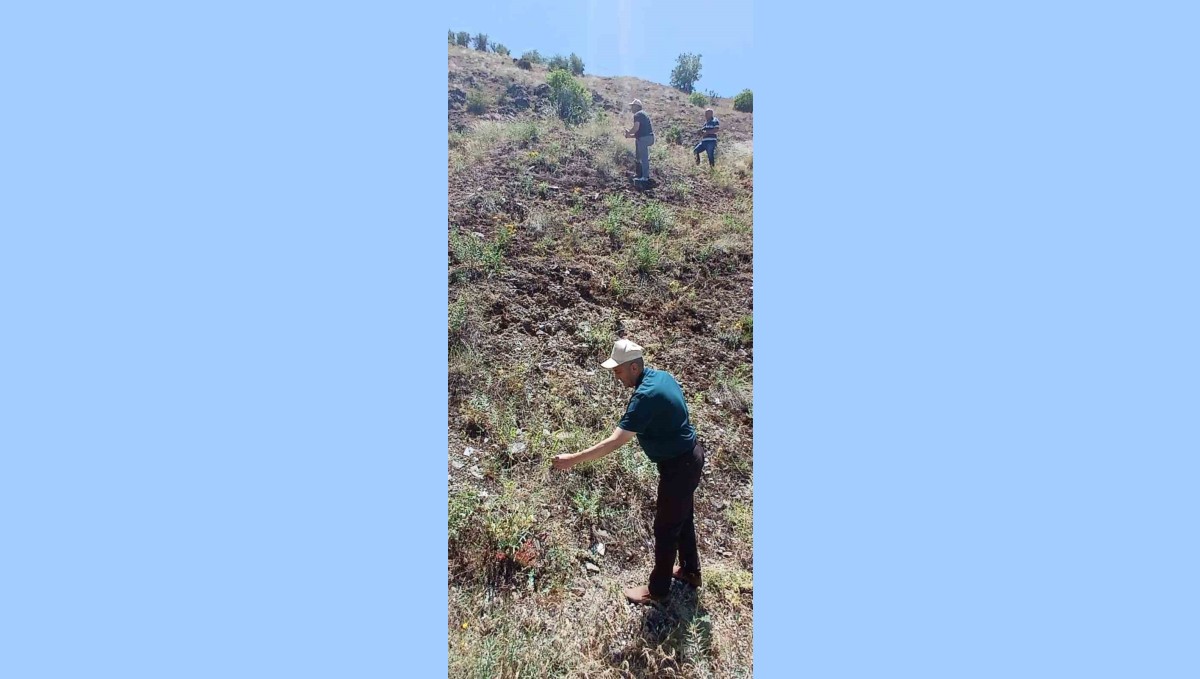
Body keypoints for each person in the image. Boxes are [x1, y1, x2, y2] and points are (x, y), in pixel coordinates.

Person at [552, 339, 706, 605]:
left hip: (679, 466)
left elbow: (614, 442)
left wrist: (573, 459)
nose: (616, 376)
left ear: (634, 367)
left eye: (619, 371)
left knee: (666, 528)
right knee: (682, 518)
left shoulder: (645, 396)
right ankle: (690, 571)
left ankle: (657, 591)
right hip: (690, 456)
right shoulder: (662, 377)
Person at [623, 99, 655, 183]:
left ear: (637, 107)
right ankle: (640, 174)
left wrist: (629, 132)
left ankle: (645, 177)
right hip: (648, 138)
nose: (631, 108)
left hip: (645, 138)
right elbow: (639, 133)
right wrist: (629, 136)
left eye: (633, 106)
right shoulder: (644, 114)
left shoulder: (637, 115)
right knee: (639, 156)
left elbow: (636, 128)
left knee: (643, 158)